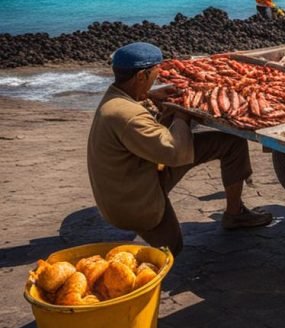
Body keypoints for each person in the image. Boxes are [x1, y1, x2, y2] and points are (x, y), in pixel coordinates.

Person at [86, 42, 272, 255]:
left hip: (134, 176)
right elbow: (175, 152)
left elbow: (140, 118)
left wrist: (150, 97)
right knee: (172, 248)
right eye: (155, 75)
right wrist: (182, 114)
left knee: (230, 143)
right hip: (132, 200)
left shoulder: (115, 99)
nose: (157, 79)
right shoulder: (127, 115)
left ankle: (235, 213)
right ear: (140, 76)